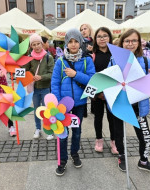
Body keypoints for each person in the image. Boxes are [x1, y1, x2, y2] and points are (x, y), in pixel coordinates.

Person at [111, 29, 150, 174]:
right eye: (127, 41)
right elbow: (109, 81)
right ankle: (121, 156)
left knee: (145, 136)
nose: (130, 43)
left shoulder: (145, 61)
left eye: (134, 40)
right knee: (119, 134)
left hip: (139, 105)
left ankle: (143, 161)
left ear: (139, 43)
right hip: (121, 103)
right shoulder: (114, 60)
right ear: (122, 43)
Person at [51, 28, 95, 176]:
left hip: (79, 104)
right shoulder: (60, 62)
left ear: (81, 43)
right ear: (66, 44)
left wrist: (76, 74)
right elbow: (55, 83)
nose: (74, 44)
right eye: (71, 41)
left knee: (77, 132)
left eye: (76, 41)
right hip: (63, 106)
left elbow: (92, 80)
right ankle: (62, 159)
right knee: (62, 132)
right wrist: (57, 103)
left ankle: (74, 154)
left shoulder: (87, 60)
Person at [92, 27, 118, 154]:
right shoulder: (92, 55)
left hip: (112, 92)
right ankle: (99, 140)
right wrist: (99, 93)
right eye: (99, 36)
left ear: (110, 38)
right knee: (98, 117)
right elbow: (90, 76)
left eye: (105, 36)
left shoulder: (116, 54)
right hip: (97, 93)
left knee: (112, 118)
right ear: (95, 39)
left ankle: (114, 141)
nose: (102, 38)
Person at [23, 33, 54, 140]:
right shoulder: (30, 57)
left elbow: (52, 73)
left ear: (42, 44)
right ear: (31, 46)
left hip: (45, 88)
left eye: (38, 44)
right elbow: (24, 70)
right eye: (34, 44)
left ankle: (49, 130)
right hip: (34, 89)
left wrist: (41, 77)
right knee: (37, 110)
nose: (36, 46)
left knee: (46, 110)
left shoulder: (48, 57)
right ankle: (38, 128)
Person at [80, 23, 94, 117]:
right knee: (84, 91)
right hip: (83, 71)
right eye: (81, 29)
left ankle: (93, 109)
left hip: (93, 71)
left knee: (92, 91)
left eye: (85, 29)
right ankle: (84, 112)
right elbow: (80, 56)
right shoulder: (80, 43)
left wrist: (93, 50)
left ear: (89, 30)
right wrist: (87, 51)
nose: (83, 31)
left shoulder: (95, 42)